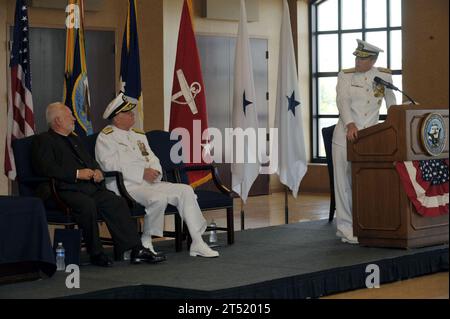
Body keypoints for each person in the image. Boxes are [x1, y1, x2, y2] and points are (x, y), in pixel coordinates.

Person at [32, 102, 166, 266]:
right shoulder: (43, 140)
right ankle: (96, 253)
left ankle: (135, 249)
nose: (74, 118)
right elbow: (46, 168)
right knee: (87, 205)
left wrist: (97, 171)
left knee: (116, 201)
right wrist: (76, 174)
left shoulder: (74, 139)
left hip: (87, 187)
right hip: (62, 190)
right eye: (69, 116)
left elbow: (90, 161)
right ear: (58, 120)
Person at [95, 93, 219, 258]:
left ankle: (197, 241)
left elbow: (152, 157)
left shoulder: (138, 135)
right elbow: (109, 165)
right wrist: (142, 172)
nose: (133, 115)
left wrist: (156, 171)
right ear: (117, 118)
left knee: (186, 190)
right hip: (126, 185)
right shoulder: (106, 137)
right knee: (158, 199)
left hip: (150, 183)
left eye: (132, 112)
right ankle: (146, 240)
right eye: (128, 113)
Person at [333, 39, 397, 244]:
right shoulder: (346, 75)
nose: (357, 61)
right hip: (346, 135)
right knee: (343, 183)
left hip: (371, 138)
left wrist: (396, 120)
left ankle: (366, 223)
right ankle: (345, 227)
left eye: (362, 59)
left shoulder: (384, 75)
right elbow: (342, 100)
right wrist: (350, 124)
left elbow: (391, 102)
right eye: (356, 57)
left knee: (365, 181)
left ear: (373, 60)